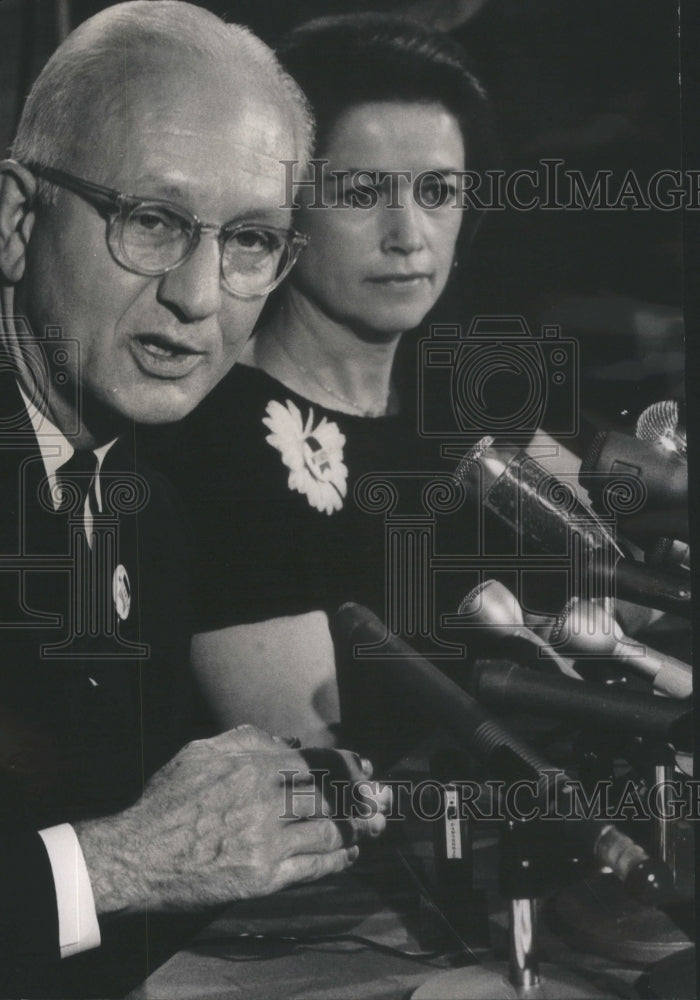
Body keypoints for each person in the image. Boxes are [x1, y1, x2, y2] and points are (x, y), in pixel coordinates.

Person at [0, 4, 387, 997]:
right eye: (154, 220)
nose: (201, 296)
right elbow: (124, 855)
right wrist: (117, 860)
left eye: (251, 240)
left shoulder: (144, 510)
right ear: (14, 222)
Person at [150, 14, 491, 747]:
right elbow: (321, 783)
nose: (407, 234)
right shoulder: (217, 442)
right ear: (285, 214)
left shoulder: (463, 421)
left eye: (437, 190)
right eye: (363, 192)